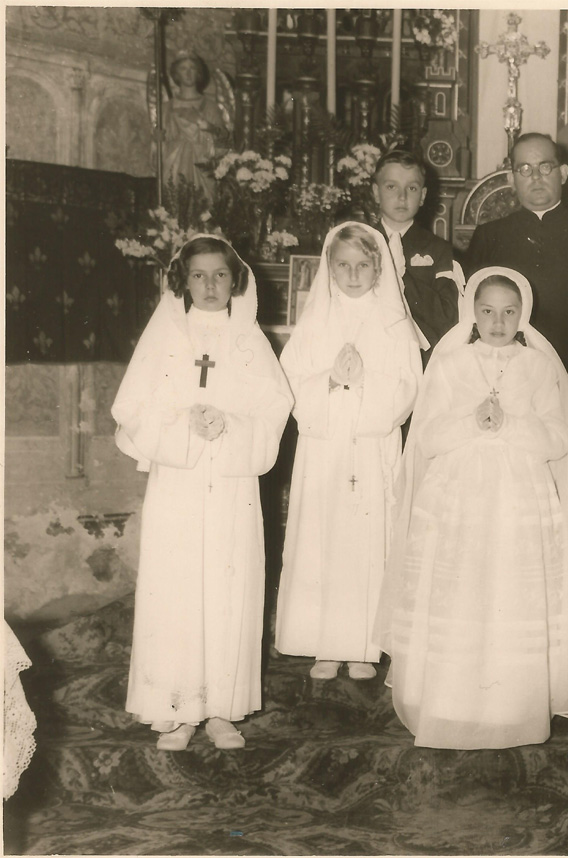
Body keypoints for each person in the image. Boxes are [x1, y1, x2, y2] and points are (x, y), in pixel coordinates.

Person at [374, 266, 568, 750]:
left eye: (509, 312)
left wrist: (511, 426)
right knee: (461, 592)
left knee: (509, 592)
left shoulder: (540, 367)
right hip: (458, 497)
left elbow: (559, 437)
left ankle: (511, 707)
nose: (498, 321)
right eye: (487, 311)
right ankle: (450, 702)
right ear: (472, 312)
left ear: (523, 314)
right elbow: (427, 436)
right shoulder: (449, 365)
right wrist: (471, 422)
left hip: (517, 497)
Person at [113, 235, 292, 751]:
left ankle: (220, 710)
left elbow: (274, 406)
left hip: (233, 481)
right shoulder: (166, 335)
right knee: (179, 586)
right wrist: (184, 423)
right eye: (199, 275)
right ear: (182, 280)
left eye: (220, 275)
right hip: (181, 480)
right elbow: (133, 408)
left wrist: (230, 423)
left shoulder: (248, 338)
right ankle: (178, 709)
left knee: (228, 587)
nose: (210, 285)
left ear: (235, 280)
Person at [275, 223, 422, 682]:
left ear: (379, 268)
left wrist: (365, 384)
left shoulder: (394, 323)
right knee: (323, 538)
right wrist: (331, 381)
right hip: (325, 449)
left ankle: (364, 646)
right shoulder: (316, 320)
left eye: (363, 265)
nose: (353, 274)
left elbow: (410, 386)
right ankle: (325, 642)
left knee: (369, 538)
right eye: (343, 265)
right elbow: (288, 382)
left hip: (372, 446)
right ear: (329, 267)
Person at [464, 132, 568, 429]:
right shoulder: (490, 237)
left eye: (545, 167)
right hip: (505, 378)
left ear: (563, 173)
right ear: (512, 177)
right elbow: (473, 318)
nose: (535, 177)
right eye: (525, 169)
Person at [372, 150, 460, 352]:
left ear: (423, 196)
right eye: (391, 186)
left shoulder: (439, 250)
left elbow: (448, 317)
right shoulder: (361, 243)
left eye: (412, 188)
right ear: (376, 193)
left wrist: (402, 277)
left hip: (420, 354)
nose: (401, 197)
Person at [161, 52, 228, 201]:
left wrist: (207, 126)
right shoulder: (166, 108)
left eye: (192, 68)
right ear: (176, 73)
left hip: (201, 164)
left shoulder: (210, 107)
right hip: (174, 165)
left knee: (202, 207)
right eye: (183, 68)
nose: (188, 73)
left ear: (198, 72)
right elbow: (159, 146)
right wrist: (157, 139)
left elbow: (224, 139)